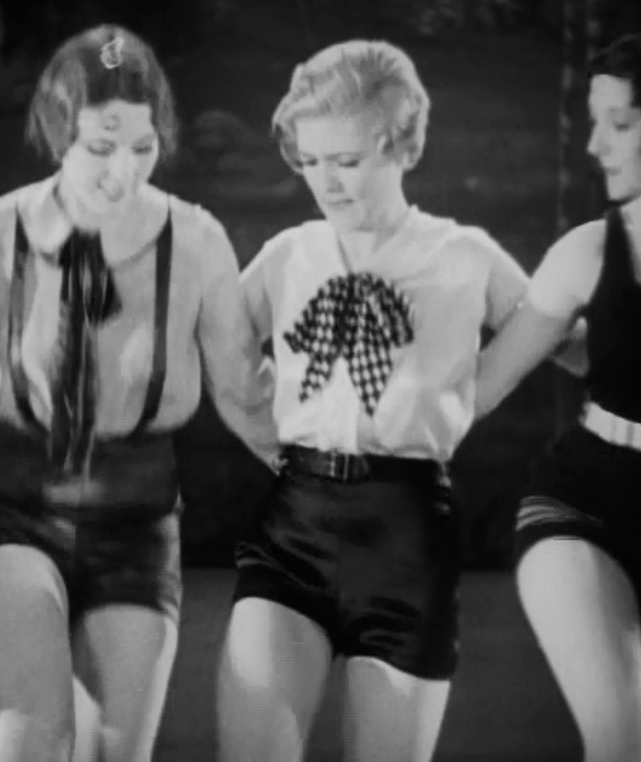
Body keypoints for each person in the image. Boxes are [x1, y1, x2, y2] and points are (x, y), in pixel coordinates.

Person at [0, 23, 277, 762]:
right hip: (14, 502)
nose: (122, 170)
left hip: (138, 518)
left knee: (118, 750)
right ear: (57, 134)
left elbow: (244, 393)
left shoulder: (195, 239)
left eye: (142, 147)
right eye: (101, 147)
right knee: (39, 731)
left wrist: (334, 479)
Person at [215, 39, 534, 762]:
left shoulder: (463, 255)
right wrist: (263, 433)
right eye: (309, 160)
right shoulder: (289, 253)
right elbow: (215, 348)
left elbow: (562, 337)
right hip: (293, 528)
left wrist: (470, 396)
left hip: (407, 537)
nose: (325, 181)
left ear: (401, 146)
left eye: (347, 161)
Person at [476, 30, 641, 762]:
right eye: (594, 122)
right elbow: (476, 391)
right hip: (586, 508)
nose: (594, 145)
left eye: (619, 123)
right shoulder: (587, 250)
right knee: (627, 745)